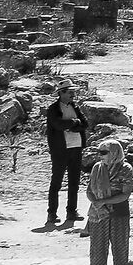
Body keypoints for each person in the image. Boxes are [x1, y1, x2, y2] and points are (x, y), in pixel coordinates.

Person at [83, 139, 133, 265]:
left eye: (104, 152)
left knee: (120, 250)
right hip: (99, 215)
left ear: (114, 152)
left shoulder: (125, 169)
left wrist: (105, 202)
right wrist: (96, 203)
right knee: (98, 251)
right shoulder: (97, 168)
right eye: (99, 152)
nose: (100, 156)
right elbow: (89, 190)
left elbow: (125, 194)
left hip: (119, 213)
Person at [44, 83, 89, 227]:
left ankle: (71, 211)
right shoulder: (53, 109)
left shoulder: (75, 107)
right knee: (56, 182)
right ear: (62, 93)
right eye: (70, 92)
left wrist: (72, 124)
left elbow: (85, 123)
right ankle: (52, 213)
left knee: (74, 182)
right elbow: (58, 125)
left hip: (76, 147)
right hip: (60, 150)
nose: (73, 95)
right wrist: (74, 123)